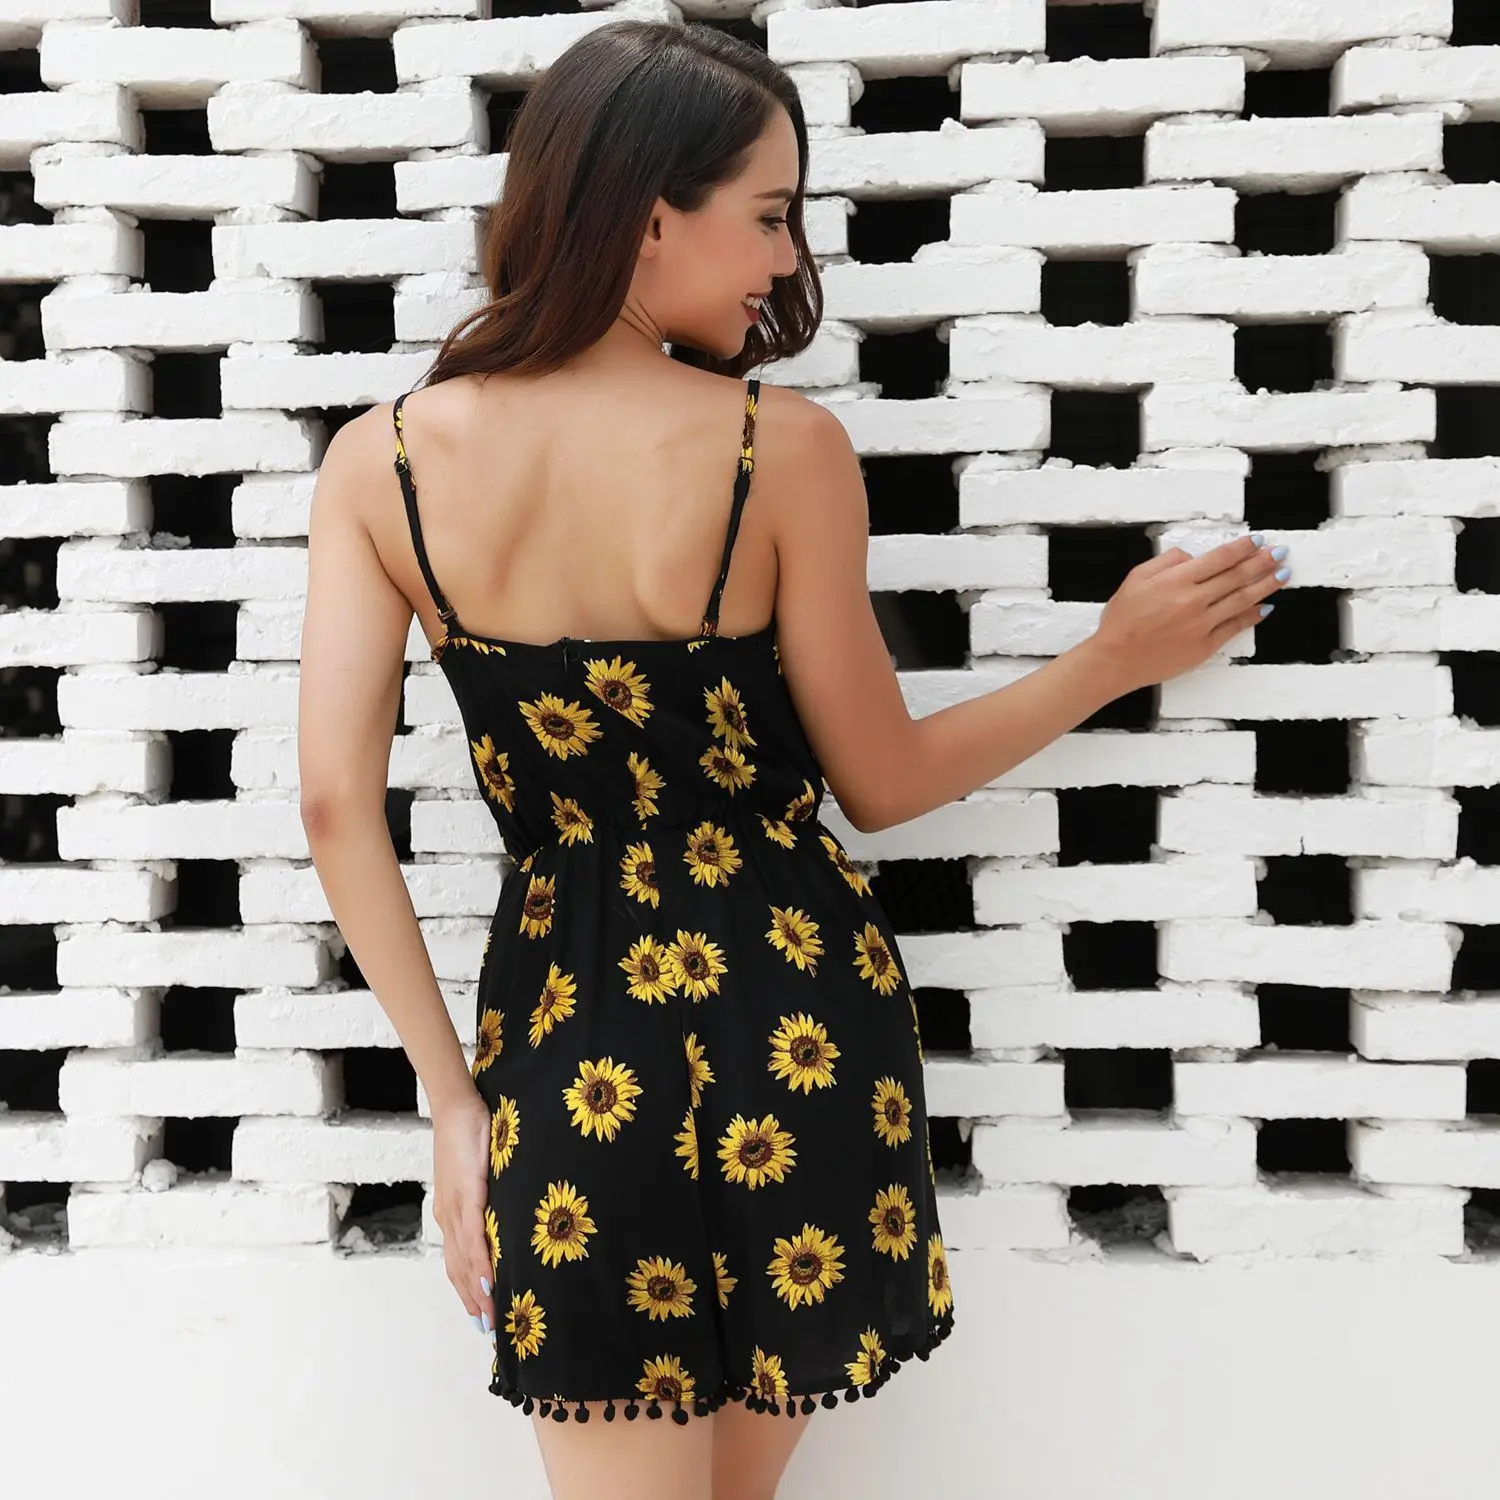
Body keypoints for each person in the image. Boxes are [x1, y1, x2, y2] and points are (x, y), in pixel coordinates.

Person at [296, 17, 1292, 1500]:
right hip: (799, 1015)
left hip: (574, 1034)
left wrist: (453, 1100)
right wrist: (1108, 660)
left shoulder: (377, 465)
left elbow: (334, 805)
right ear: (651, 216)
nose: (785, 259)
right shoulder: (782, 451)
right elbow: (880, 784)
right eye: (769, 215)